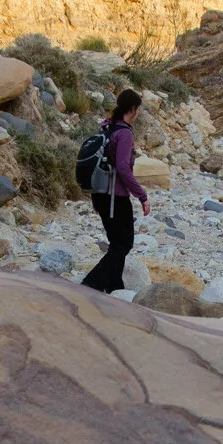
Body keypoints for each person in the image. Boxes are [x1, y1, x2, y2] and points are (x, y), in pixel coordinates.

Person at [81, 88, 149, 293]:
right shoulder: (125, 133)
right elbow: (123, 168)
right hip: (115, 199)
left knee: (116, 243)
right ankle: (91, 283)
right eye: (138, 110)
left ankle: (113, 286)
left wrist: (95, 201)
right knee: (124, 244)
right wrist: (142, 196)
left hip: (100, 195)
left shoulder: (107, 127)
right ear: (134, 110)